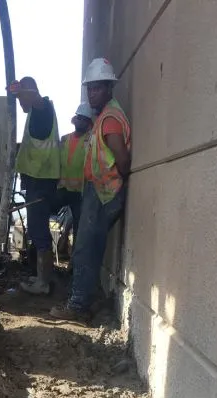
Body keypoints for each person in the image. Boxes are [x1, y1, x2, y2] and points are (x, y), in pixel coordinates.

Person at [51, 58, 131, 325]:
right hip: (100, 191)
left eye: (96, 88)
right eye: (89, 89)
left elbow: (122, 159)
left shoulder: (109, 119)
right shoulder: (106, 115)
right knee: (90, 247)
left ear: (109, 88)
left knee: (85, 248)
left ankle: (78, 306)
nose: (91, 93)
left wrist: (114, 182)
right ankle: (84, 299)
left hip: (104, 193)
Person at [8, 77, 60, 295]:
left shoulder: (42, 109)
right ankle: (41, 277)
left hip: (42, 180)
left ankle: (43, 283)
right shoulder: (35, 114)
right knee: (37, 229)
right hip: (36, 180)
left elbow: (37, 100)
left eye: (21, 98)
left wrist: (24, 91)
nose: (20, 103)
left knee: (39, 231)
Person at [53, 101, 93, 250]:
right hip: (63, 189)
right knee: (43, 210)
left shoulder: (91, 140)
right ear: (75, 120)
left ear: (88, 123)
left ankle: (74, 263)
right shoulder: (64, 140)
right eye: (79, 118)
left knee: (79, 227)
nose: (81, 121)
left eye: (84, 119)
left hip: (80, 193)